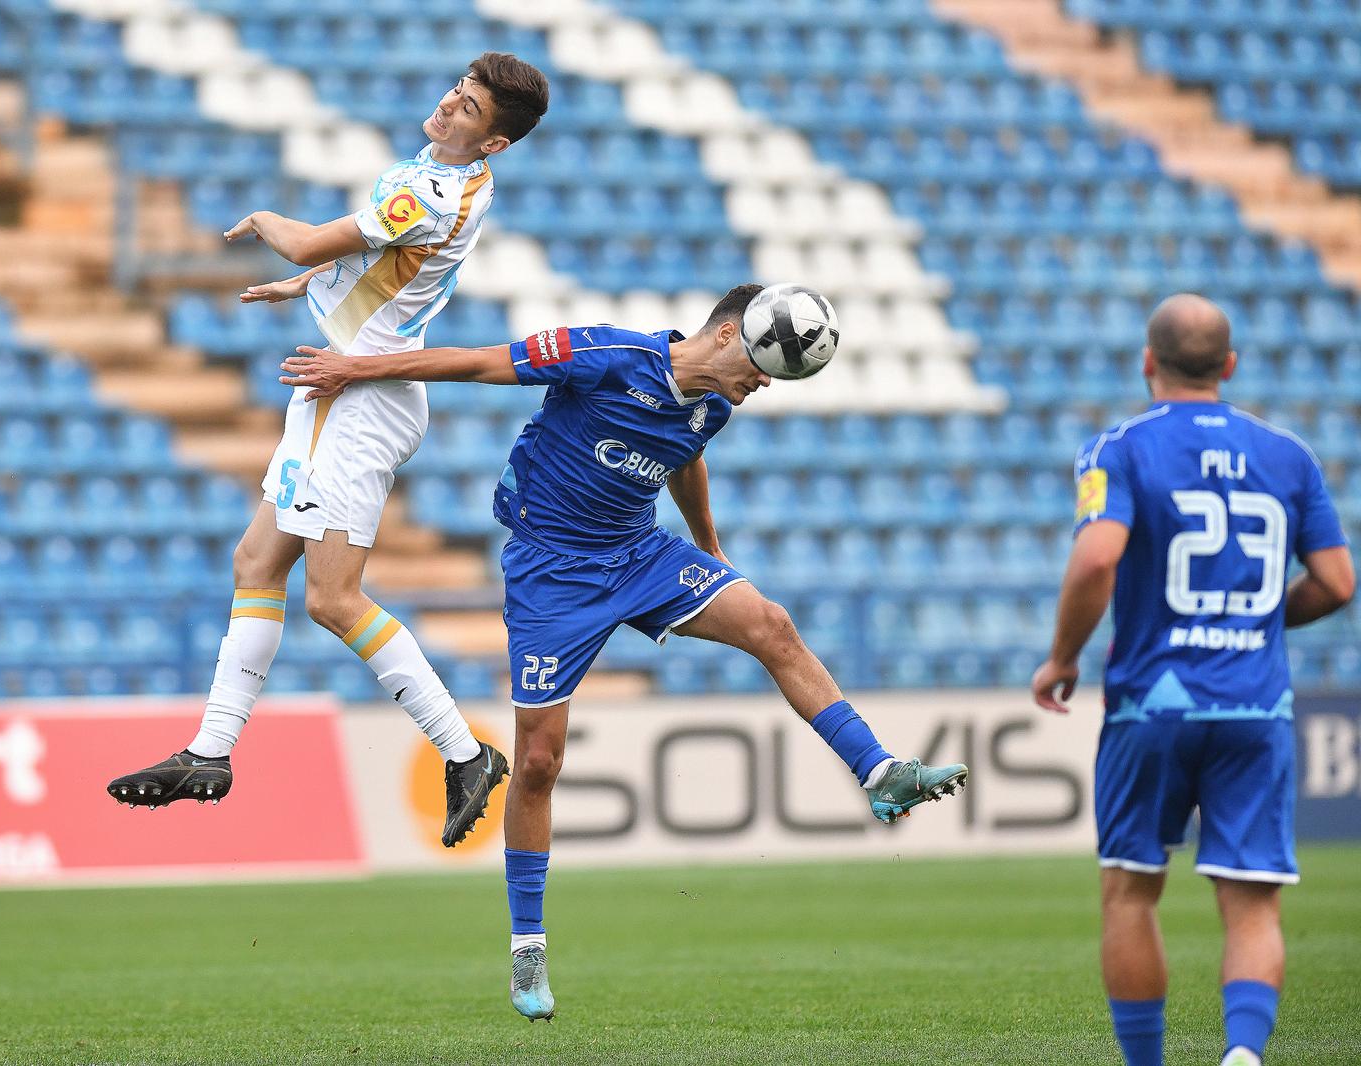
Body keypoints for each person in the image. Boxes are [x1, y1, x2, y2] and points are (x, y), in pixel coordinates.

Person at [281, 283, 970, 1021]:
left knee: (771, 624)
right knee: (540, 762)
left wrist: (708, 546)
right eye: (765, 364)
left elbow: (685, 455)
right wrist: (354, 370)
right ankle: (527, 949)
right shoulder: (605, 355)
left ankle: (881, 770)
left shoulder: (715, 405)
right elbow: (481, 362)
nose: (765, 382)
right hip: (552, 572)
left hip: (639, 554)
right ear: (728, 335)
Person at [107, 53, 551, 850]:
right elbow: (388, 266)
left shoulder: (432, 187)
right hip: (339, 382)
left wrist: (274, 227)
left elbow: (305, 241)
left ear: (494, 144)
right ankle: (210, 752)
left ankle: (465, 752)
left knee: (333, 599)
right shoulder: (445, 176)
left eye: (471, 109)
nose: (450, 105)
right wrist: (313, 288)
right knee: (256, 562)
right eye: (457, 90)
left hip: (362, 398)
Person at [1031, 294, 1354, 1066]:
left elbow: (1098, 557)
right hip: (1257, 705)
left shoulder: (1118, 447)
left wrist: (1064, 655)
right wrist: (1256, 622)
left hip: (1154, 704)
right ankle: (1242, 1055)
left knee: (1132, 891)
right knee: (1250, 903)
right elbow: (1339, 583)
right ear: (1230, 366)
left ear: (1148, 362)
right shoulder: (1289, 454)